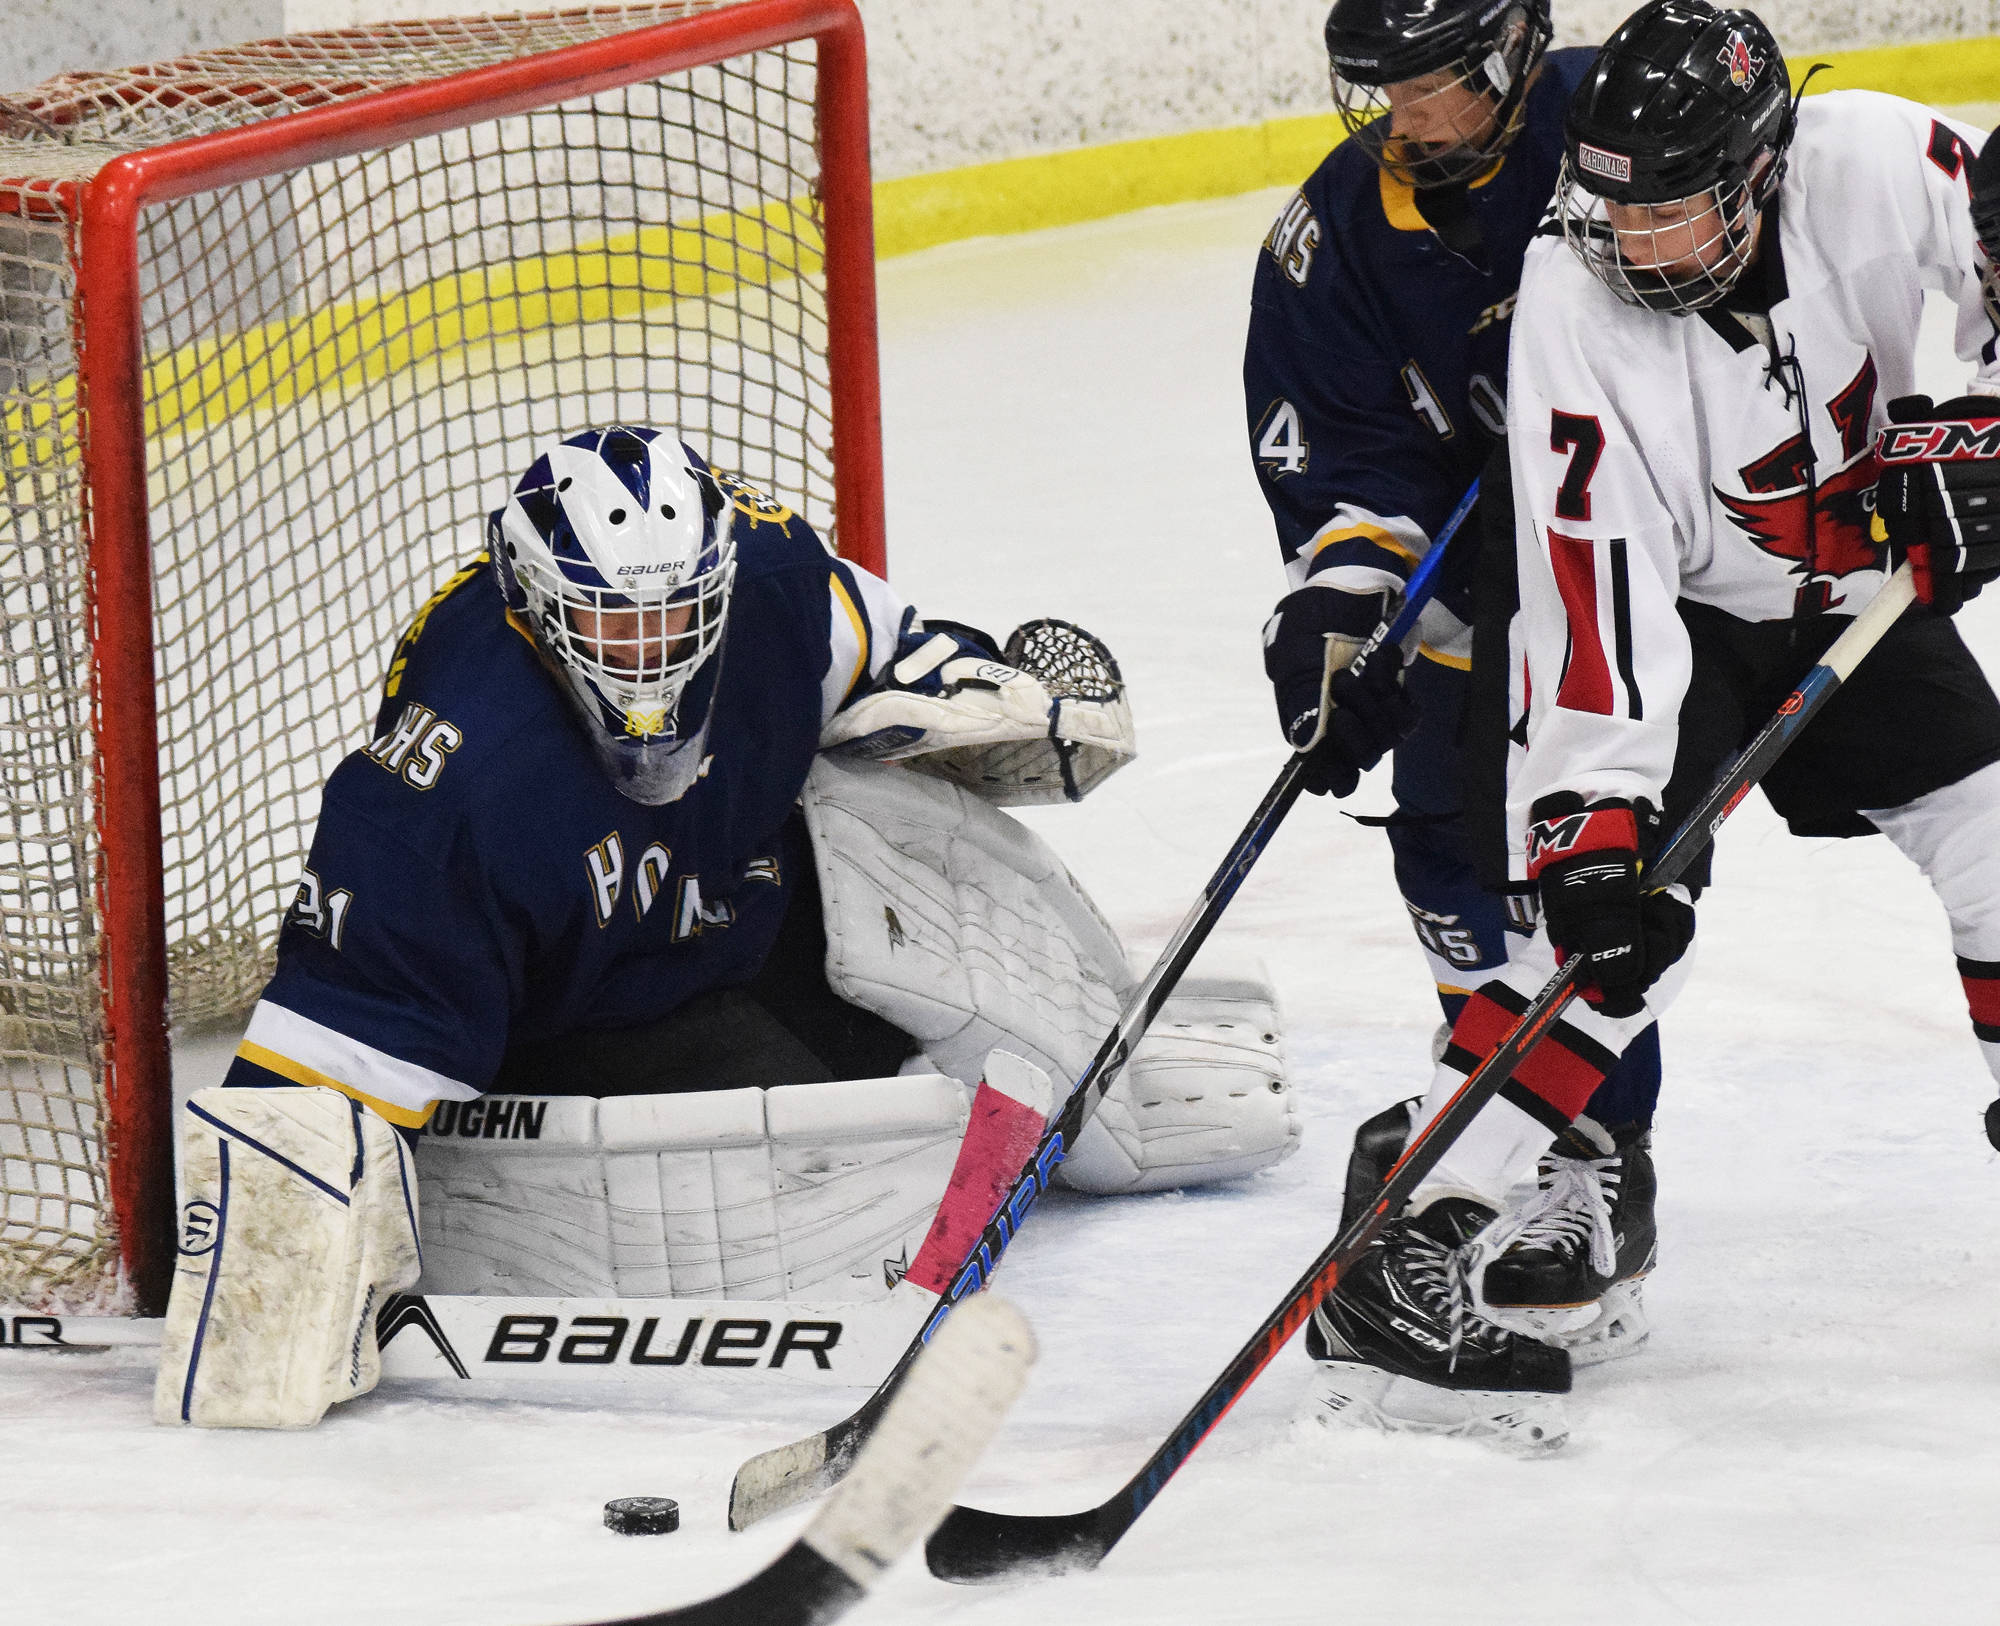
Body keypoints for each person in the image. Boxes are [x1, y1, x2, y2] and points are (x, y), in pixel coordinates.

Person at [154, 426, 1298, 1428]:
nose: (649, 656)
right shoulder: (444, 791)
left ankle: (1064, 1056)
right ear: (533, 601)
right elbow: (311, 1090)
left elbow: (884, 635)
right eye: (611, 622)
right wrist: (250, 1278)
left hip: (737, 920)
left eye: (675, 615)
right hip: (585, 1024)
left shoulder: (777, 584)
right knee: (845, 1187)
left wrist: (970, 680)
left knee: (894, 848)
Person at [1316, 0, 2000, 1449]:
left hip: (1852, 589)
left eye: (1673, 212)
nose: (1636, 244)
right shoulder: (1577, 301)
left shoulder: (1873, 158)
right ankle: (1410, 1233)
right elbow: (1593, 578)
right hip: (1682, 620)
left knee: (1996, 831)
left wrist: (1987, 439)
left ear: (1763, 168)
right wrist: (1597, 816)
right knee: (1619, 940)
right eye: (1616, 209)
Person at [1245, 0, 1664, 1441]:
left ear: (1510, 56)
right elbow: (1347, 472)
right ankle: (1500, 1112)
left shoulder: (1617, 119)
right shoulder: (1331, 243)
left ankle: (1600, 1148)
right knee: (1447, 860)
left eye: (1434, 87)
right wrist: (1343, 625)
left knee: (1602, 875)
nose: (1406, 120)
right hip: (1476, 599)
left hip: (1644, 568)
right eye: (1383, 93)